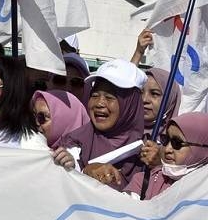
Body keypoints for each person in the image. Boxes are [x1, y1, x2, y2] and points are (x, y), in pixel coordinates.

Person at [52, 59, 147, 190]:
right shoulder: (74, 142)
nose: (99, 103)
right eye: (95, 95)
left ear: (130, 105)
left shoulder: (150, 151)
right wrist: (82, 171)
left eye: (109, 97)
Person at [124, 113, 208, 198]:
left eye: (177, 143)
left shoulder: (204, 191)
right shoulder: (144, 182)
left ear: (202, 148)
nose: (167, 149)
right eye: (166, 140)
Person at [136, 67, 181, 168]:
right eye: (140, 92)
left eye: (154, 94)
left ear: (170, 99)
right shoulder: (122, 129)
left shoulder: (179, 140)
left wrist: (161, 162)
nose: (144, 99)